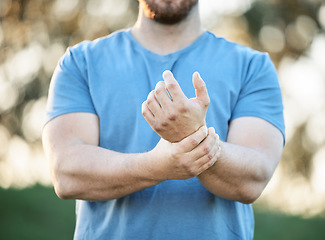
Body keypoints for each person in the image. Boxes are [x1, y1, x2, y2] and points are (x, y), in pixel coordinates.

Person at [42, 0, 285, 239]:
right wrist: (159, 164)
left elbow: (252, 179)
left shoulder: (253, 67)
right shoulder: (79, 63)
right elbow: (67, 174)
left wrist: (189, 135)